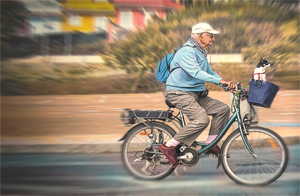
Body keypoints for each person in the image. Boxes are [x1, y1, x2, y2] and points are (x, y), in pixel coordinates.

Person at [158, 22, 237, 167]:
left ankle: (211, 144)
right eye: (210, 35)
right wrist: (220, 81)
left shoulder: (200, 52)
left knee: (222, 109)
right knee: (201, 119)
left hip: (195, 93)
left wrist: (226, 84)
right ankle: (168, 146)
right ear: (200, 35)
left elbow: (209, 73)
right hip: (178, 92)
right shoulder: (186, 52)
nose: (213, 39)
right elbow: (196, 73)